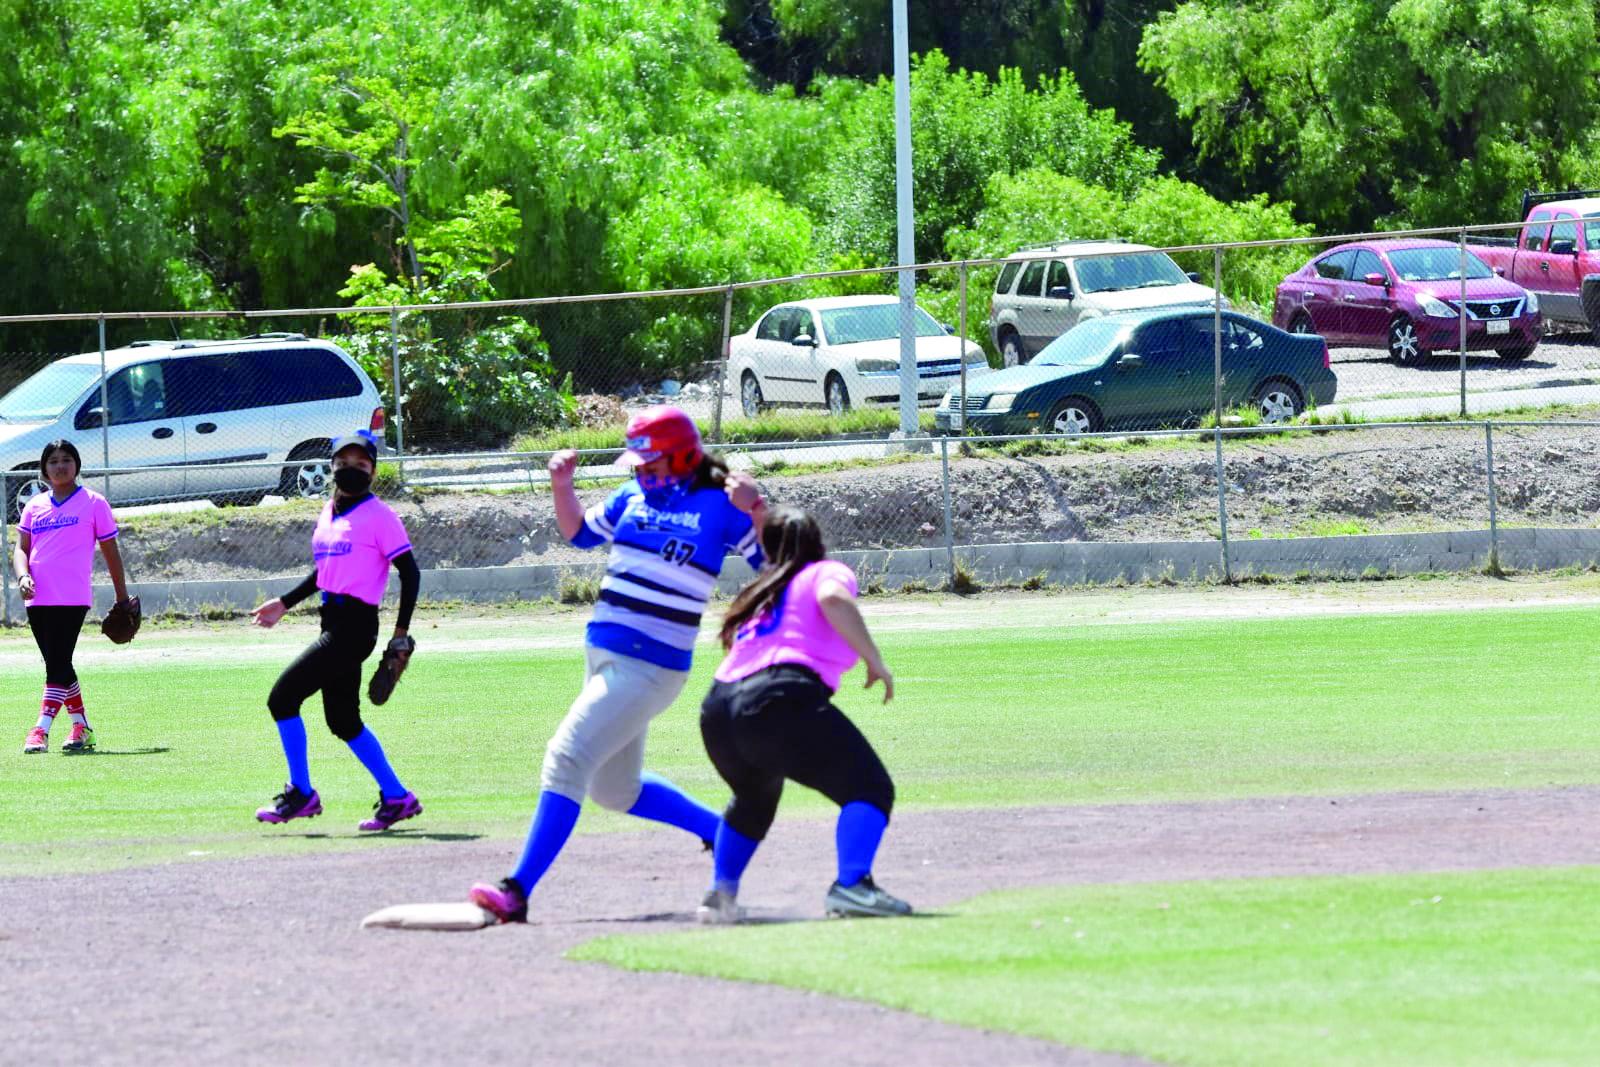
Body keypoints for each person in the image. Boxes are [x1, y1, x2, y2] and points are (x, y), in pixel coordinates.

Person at [468, 405, 767, 923]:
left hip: (651, 667)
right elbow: (580, 533)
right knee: (613, 790)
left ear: (684, 457)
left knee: (566, 759)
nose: (641, 473)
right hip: (605, 656)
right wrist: (562, 485)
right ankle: (723, 835)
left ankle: (515, 891)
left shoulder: (721, 505)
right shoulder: (633, 495)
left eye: (651, 464)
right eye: (637, 465)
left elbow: (776, 564)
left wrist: (758, 510)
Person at [695, 504, 910, 922]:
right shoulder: (823, 571)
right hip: (778, 698)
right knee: (869, 788)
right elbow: (833, 599)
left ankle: (720, 896)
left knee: (754, 798)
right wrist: (875, 660)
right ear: (817, 542)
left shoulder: (766, 589)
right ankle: (853, 887)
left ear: (768, 550)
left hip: (717, 709)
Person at [250, 430, 423, 831]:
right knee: (344, 722)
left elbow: (410, 574)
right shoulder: (330, 511)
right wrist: (284, 603)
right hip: (332, 621)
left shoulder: (381, 516)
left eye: (360, 464)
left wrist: (401, 633)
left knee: (282, 697)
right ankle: (397, 796)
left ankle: (301, 794)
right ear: (331, 469)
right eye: (343, 464)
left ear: (374, 471)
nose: (351, 470)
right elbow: (324, 572)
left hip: (356, 627)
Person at [16, 440, 132, 754]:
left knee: (56, 663)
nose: (60, 465)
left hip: (72, 595)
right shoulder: (34, 505)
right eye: (52, 461)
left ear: (77, 465)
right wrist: (23, 574)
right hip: (37, 596)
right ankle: (82, 727)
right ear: (44, 470)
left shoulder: (94, 503)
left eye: (66, 459)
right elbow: (20, 550)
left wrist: (123, 598)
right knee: (59, 663)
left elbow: (111, 552)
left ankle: (40, 730)